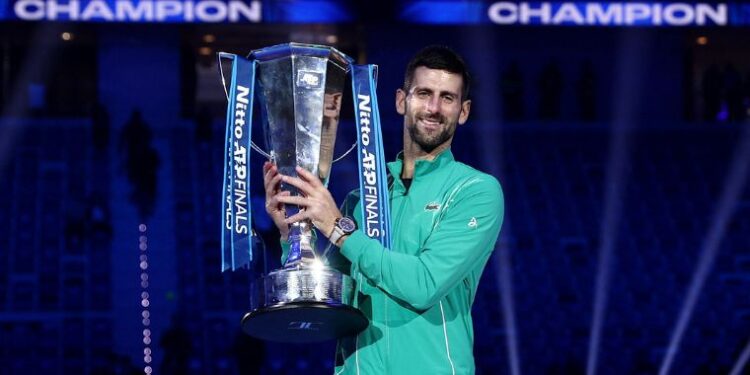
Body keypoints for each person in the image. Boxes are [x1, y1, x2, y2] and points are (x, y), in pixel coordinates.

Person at [263, 46, 504, 374]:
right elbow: (333, 300)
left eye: (447, 98)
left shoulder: (475, 191)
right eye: (423, 93)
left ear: (463, 112)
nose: (433, 107)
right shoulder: (360, 200)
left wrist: (338, 227)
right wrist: (292, 235)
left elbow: (424, 285)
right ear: (401, 101)